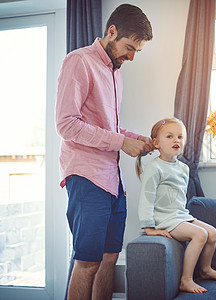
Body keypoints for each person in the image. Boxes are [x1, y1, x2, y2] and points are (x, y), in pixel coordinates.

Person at [55, 4, 153, 300]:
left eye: (137, 50)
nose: (132, 56)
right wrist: (122, 143)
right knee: (87, 262)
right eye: (129, 47)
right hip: (87, 177)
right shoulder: (79, 62)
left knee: (110, 258)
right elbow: (67, 124)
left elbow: (109, 127)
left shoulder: (115, 73)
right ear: (112, 31)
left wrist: (136, 139)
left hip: (113, 180)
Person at [137, 118, 216, 294]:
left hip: (179, 215)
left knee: (212, 233)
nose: (176, 140)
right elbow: (146, 198)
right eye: (170, 136)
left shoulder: (183, 168)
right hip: (164, 218)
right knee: (200, 235)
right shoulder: (155, 168)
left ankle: (205, 269)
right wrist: (149, 227)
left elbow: (179, 198)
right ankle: (186, 280)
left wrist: (185, 218)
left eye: (180, 137)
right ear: (156, 143)